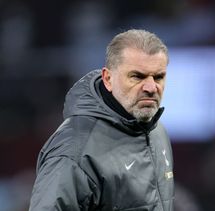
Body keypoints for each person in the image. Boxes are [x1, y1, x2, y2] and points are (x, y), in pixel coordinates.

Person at [29, 29, 174, 211]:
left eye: (159, 77)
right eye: (137, 76)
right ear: (108, 78)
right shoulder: (74, 151)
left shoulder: (157, 131)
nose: (151, 87)